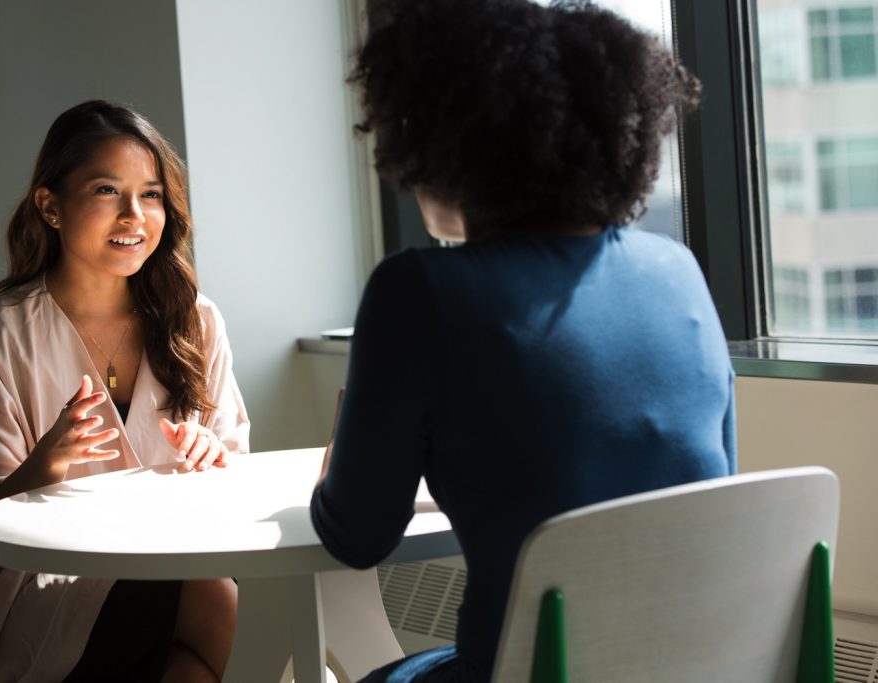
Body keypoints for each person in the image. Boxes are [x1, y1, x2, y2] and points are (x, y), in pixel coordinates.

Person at [310, 1, 735, 681]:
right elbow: (710, 490)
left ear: (444, 143)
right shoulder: (678, 272)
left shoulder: (418, 289)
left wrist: (340, 467)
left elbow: (357, 536)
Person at [0, 100, 249, 683]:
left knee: (196, 664)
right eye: (106, 191)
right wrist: (42, 468)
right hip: (42, 593)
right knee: (219, 604)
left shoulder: (196, 321)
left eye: (151, 194)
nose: (135, 215)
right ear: (50, 206)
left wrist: (212, 454)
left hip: (177, 564)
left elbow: (236, 475)